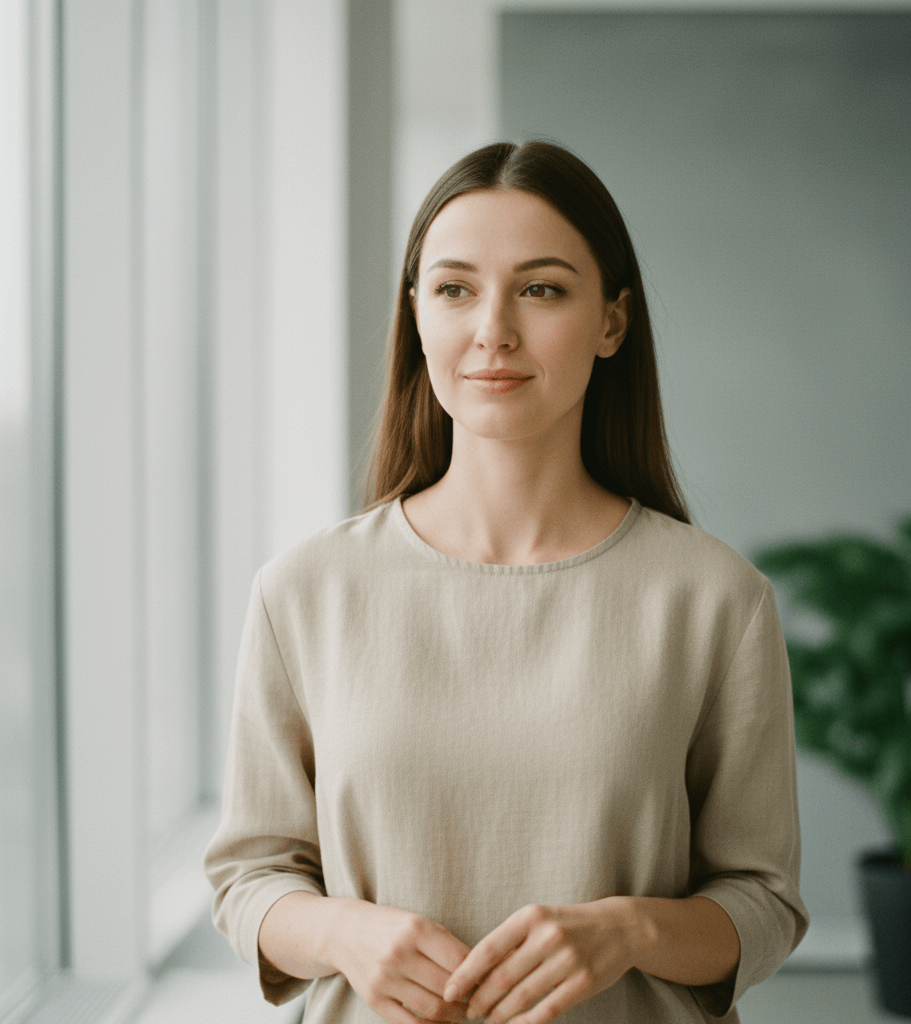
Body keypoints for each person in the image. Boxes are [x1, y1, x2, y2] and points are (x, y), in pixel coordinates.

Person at [204, 139, 809, 1024]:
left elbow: (765, 902)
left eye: (542, 288)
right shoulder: (305, 591)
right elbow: (248, 879)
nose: (493, 329)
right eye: (454, 289)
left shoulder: (715, 601)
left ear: (612, 322)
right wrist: (342, 934)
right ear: (415, 314)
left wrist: (631, 931)